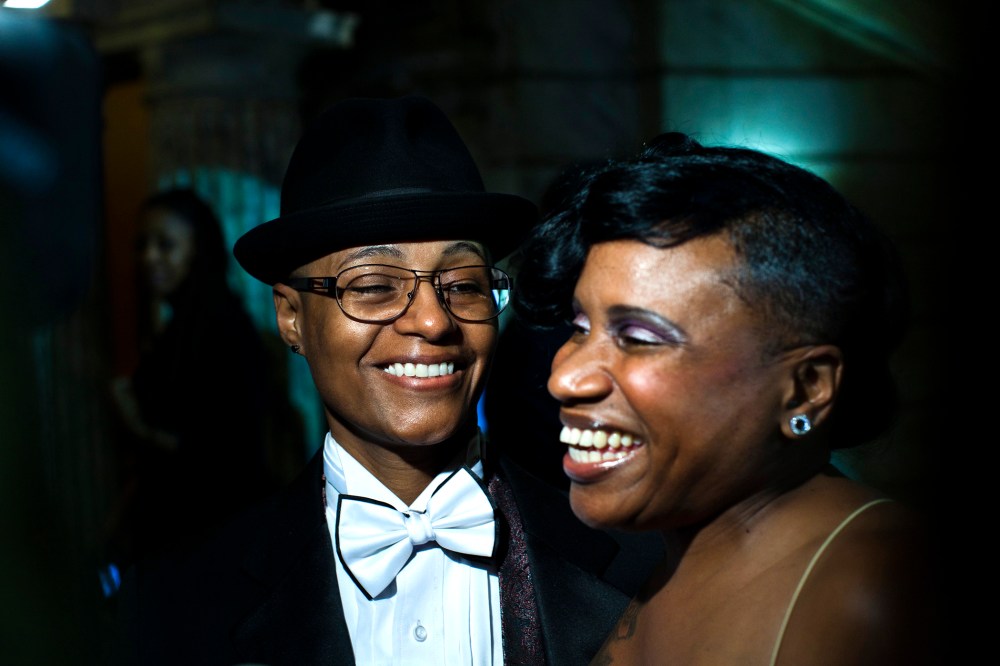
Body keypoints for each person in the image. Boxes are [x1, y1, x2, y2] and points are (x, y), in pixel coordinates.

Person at [112, 95, 662, 665]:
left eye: (465, 284)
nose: (432, 319)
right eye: (374, 286)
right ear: (292, 318)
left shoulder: (637, 566)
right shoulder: (177, 603)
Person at [513, 132, 937, 665]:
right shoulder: (665, 556)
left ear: (805, 388)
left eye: (639, 339)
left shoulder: (880, 593)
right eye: (578, 327)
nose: (566, 379)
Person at [105, 188, 298, 569]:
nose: (149, 257)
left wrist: (133, 423)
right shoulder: (181, 327)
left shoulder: (223, 330)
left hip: (214, 543)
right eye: (143, 244)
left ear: (197, 250)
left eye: (165, 245)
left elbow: (224, 456)